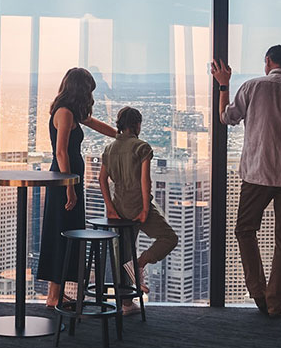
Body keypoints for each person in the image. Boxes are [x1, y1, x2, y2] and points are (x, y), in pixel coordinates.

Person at [211, 45, 281, 318]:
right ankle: (275, 303)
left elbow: (226, 118)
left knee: (245, 230)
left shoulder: (252, 87)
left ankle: (257, 291)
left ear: (267, 62)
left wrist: (223, 86)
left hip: (257, 174)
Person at [37, 67, 117, 308]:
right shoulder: (64, 113)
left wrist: (122, 136)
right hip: (64, 180)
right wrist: (70, 187)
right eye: (88, 91)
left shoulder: (70, 112)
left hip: (69, 180)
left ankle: (56, 294)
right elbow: (61, 152)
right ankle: (53, 296)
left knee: (65, 232)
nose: (90, 96)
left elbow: (94, 123)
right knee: (60, 233)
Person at [98, 106, 178, 315]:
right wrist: (144, 209)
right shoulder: (142, 147)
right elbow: (145, 182)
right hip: (136, 206)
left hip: (118, 208)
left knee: (123, 252)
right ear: (136, 125)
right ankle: (140, 263)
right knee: (169, 238)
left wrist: (109, 208)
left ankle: (126, 304)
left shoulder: (109, 149)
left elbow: (101, 180)